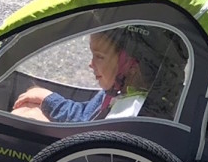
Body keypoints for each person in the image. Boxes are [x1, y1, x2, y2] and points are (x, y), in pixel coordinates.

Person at [12, 26, 156, 123]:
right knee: (29, 107)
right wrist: (46, 99)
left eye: (99, 57)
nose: (91, 64)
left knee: (25, 115)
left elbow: (84, 125)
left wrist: (47, 102)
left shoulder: (128, 111)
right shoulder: (117, 90)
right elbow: (86, 114)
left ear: (130, 65)